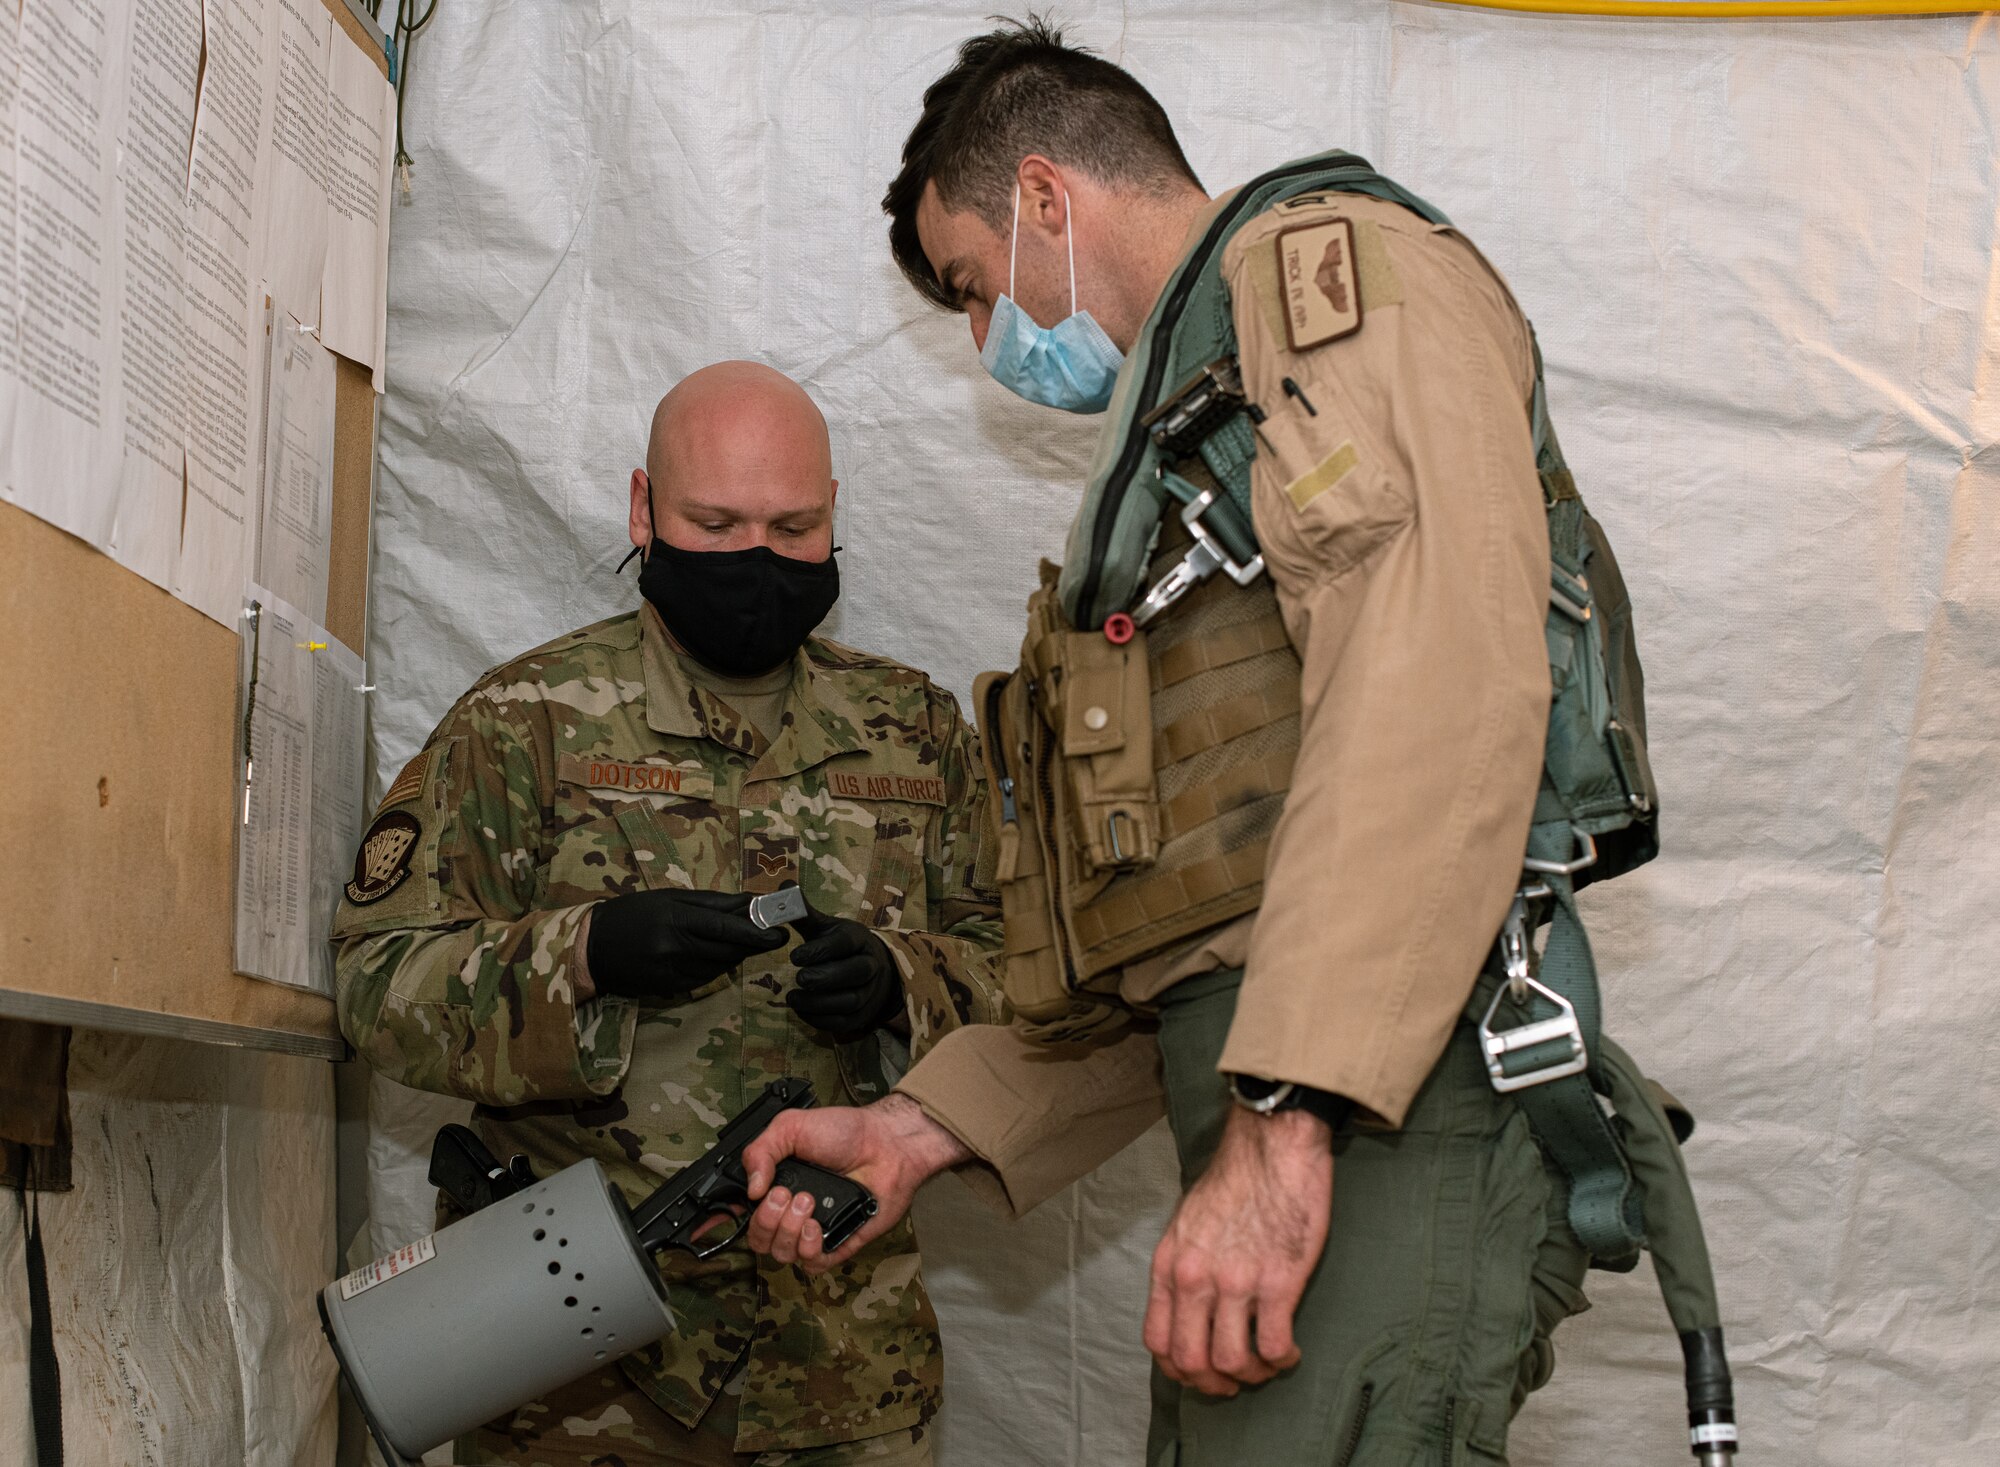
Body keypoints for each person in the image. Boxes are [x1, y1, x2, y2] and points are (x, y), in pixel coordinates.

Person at [739, 20, 1733, 1467]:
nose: (982, 340)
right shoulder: (1180, 435)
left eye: (970, 289)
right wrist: (921, 1127)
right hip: (1307, 1099)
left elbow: (1432, 685)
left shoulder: (1327, 276)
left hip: (1376, 1107)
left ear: (1044, 197)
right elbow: (1189, 929)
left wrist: (1283, 1126)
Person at [331, 360, 1007, 1467]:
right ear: (644, 509)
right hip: (572, 1372)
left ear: (835, 514)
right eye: (715, 521)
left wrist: (905, 983)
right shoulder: (526, 722)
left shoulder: (915, 734)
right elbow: (375, 978)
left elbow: (1034, 984)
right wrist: (582, 955)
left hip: (841, 1369)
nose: (757, 558)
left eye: (794, 526)